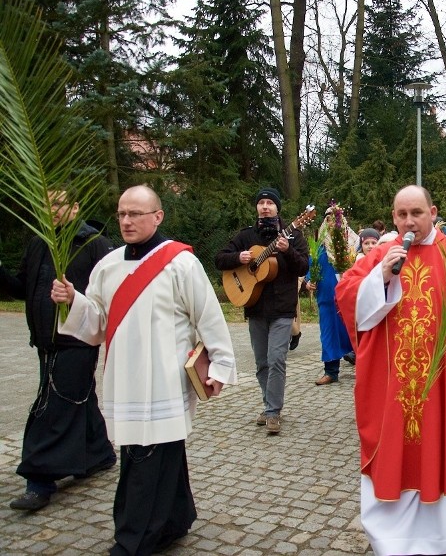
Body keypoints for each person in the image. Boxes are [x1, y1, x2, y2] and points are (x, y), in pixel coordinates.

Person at [52, 185, 237, 554]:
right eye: (121, 213)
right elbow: (97, 323)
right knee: (160, 452)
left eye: (135, 213)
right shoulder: (108, 264)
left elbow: (208, 317)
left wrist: (221, 365)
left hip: (165, 379)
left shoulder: (180, 262)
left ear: (158, 216)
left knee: (147, 456)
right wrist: (74, 301)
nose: (126, 220)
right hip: (124, 376)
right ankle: (174, 520)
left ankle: (134, 539)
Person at [335, 186, 446, 556]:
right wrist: (380, 279)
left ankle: (438, 537)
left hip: (442, 383)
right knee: (390, 452)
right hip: (392, 384)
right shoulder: (384, 254)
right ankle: (389, 539)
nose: (408, 222)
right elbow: (347, 292)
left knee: (440, 447)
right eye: (401, 214)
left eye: (415, 213)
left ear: (432, 212)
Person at [0, 189, 116, 512]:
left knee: (52, 406)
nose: (50, 210)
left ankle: (39, 481)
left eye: (58, 204)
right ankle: (99, 453)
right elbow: (22, 288)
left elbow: (110, 294)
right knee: (77, 398)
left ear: (75, 207)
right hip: (45, 343)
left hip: (78, 341)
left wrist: (75, 299)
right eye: (45, 204)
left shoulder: (94, 244)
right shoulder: (39, 242)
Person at [215, 187, 309, 434]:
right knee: (261, 363)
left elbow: (302, 267)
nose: (265, 206)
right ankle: (270, 404)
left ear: (278, 208)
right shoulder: (246, 236)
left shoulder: (293, 235)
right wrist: (239, 257)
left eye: (270, 202)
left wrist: (287, 250)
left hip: (282, 309)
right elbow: (219, 259)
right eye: (261, 202)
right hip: (255, 307)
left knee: (276, 359)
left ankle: (273, 412)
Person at [308, 207, 357, 385]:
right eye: (328, 218)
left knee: (353, 333)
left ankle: (364, 368)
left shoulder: (351, 243)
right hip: (327, 299)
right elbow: (311, 266)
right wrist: (309, 281)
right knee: (328, 335)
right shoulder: (319, 245)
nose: (331, 222)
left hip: (348, 299)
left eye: (335, 218)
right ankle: (331, 372)